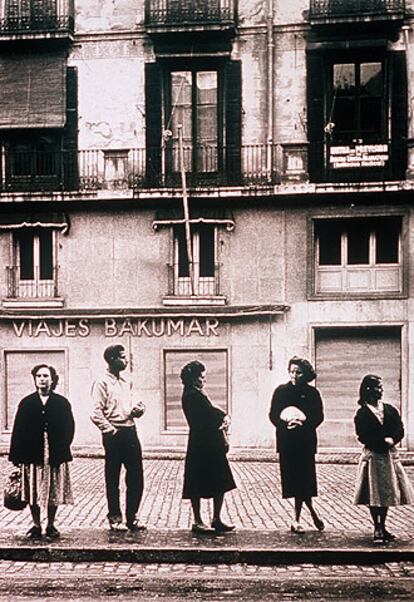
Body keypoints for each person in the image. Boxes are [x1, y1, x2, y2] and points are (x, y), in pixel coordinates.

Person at [9, 364, 75, 539]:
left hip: (54, 453)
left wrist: (63, 447)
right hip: (32, 453)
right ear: (35, 379)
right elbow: (18, 429)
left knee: (53, 488)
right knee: (33, 489)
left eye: (46, 376)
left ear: (52, 379)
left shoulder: (61, 403)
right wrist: (16, 455)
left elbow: (69, 427)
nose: (42, 379)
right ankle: (36, 524)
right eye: (39, 376)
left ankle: (51, 525)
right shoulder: (27, 403)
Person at [91, 344, 146, 532]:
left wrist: (139, 410)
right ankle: (115, 518)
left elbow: (131, 407)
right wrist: (110, 430)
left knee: (136, 477)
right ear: (112, 360)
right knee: (113, 478)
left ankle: (133, 518)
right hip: (114, 434)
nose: (126, 360)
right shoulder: (101, 383)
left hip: (131, 432)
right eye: (122, 357)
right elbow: (95, 412)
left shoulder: (125, 383)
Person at [353, 374, 414, 543]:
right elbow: (362, 435)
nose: (380, 391)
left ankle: (383, 525)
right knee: (374, 492)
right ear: (367, 391)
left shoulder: (389, 410)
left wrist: (393, 440)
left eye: (381, 387)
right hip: (373, 457)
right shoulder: (363, 414)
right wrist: (380, 442)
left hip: (387, 457)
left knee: (386, 491)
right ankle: (377, 527)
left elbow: (399, 428)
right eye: (376, 388)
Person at [269, 356, 324, 533]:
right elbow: (273, 414)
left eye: (298, 372)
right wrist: (285, 424)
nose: (294, 375)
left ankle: (297, 519)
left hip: (305, 442)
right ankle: (308, 514)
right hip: (287, 442)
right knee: (295, 482)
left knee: (305, 480)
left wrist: (304, 423)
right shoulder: (281, 391)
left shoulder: (313, 393)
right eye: (291, 371)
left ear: (305, 374)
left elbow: (318, 416)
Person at [181, 360, 236, 534]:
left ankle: (216, 519)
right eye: (201, 377)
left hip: (209, 442)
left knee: (219, 480)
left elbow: (211, 411)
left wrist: (221, 416)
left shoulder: (197, 393)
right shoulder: (191, 395)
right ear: (193, 378)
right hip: (201, 443)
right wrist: (223, 415)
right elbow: (209, 413)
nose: (204, 380)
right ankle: (197, 520)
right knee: (197, 482)